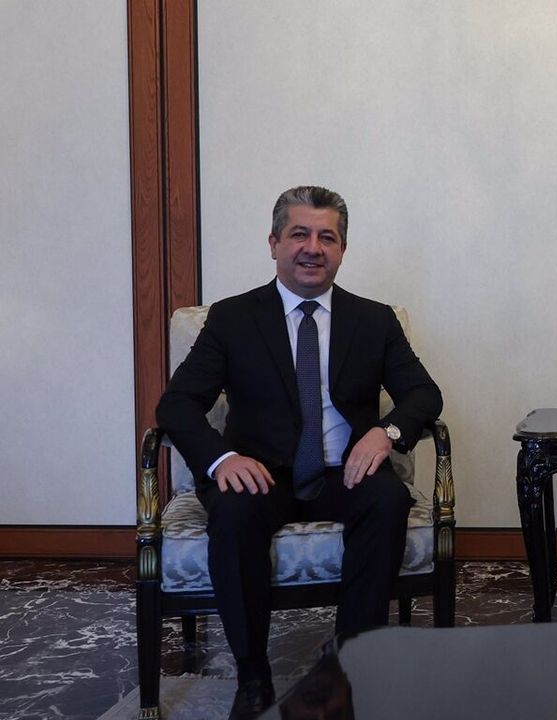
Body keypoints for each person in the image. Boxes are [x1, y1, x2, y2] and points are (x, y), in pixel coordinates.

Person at [156, 186, 442, 720]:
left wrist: (387, 433)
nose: (313, 248)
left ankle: (352, 664)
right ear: (274, 243)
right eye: (299, 234)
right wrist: (222, 460)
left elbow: (424, 394)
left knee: (387, 499)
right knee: (233, 512)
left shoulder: (374, 320)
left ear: (342, 249)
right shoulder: (232, 318)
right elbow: (177, 405)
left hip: (344, 471)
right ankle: (252, 675)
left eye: (326, 237)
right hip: (260, 474)